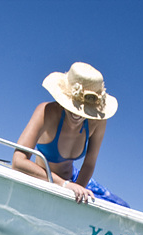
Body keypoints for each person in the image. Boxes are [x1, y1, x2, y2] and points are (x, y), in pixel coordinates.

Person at [12, 62, 128, 207]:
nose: (77, 114)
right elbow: (18, 162)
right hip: (44, 178)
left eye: (85, 110)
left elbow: (89, 164)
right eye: (74, 106)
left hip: (74, 180)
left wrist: (77, 190)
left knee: (123, 207)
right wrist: (64, 184)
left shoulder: (97, 122)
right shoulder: (46, 112)